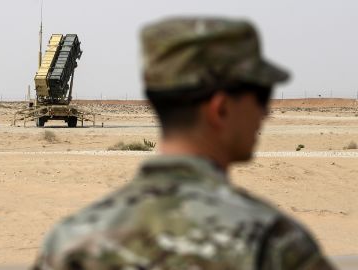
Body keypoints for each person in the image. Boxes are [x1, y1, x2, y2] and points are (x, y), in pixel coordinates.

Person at [33, 17, 335, 270]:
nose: (265, 112)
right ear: (221, 109)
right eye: (260, 97)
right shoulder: (274, 243)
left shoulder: (71, 242)